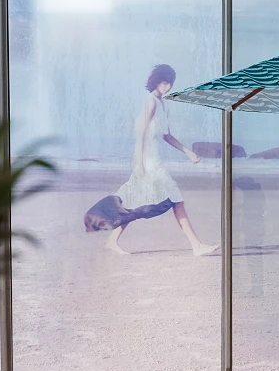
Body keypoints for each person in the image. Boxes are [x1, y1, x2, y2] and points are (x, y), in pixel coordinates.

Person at [85, 64, 217, 256]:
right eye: (164, 82)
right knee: (175, 199)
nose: (167, 87)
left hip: (155, 159)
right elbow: (141, 134)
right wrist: (139, 164)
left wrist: (188, 152)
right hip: (148, 161)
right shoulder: (151, 102)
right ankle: (196, 246)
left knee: (135, 201)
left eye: (170, 83)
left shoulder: (163, 104)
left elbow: (167, 135)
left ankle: (112, 240)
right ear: (156, 81)